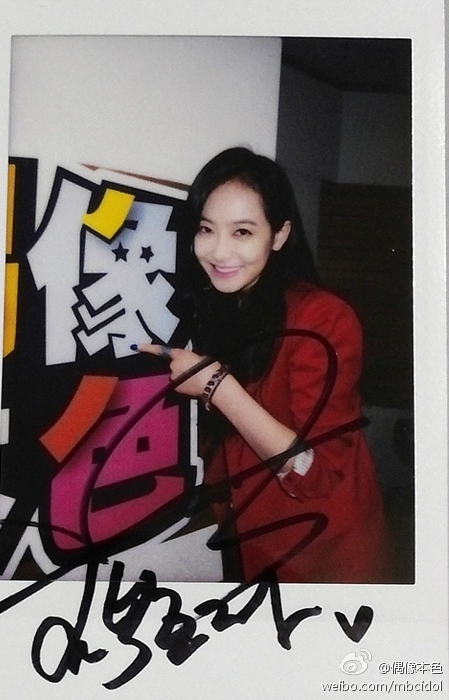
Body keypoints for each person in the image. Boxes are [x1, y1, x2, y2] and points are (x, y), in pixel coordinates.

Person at [139, 147, 388, 584]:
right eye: (206, 229)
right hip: (255, 546)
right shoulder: (224, 305)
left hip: (326, 561)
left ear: (279, 234)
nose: (219, 251)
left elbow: (315, 470)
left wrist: (215, 385)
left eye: (242, 232)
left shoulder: (324, 318)